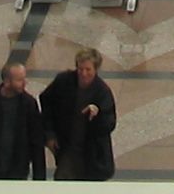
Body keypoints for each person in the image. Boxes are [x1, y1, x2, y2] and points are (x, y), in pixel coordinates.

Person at [40, 48, 117, 181]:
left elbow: (109, 123)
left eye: (88, 70)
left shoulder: (102, 92)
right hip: (68, 149)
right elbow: (46, 102)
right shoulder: (63, 81)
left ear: (96, 69)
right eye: (80, 69)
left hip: (92, 154)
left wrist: (97, 114)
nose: (83, 73)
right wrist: (50, 134)